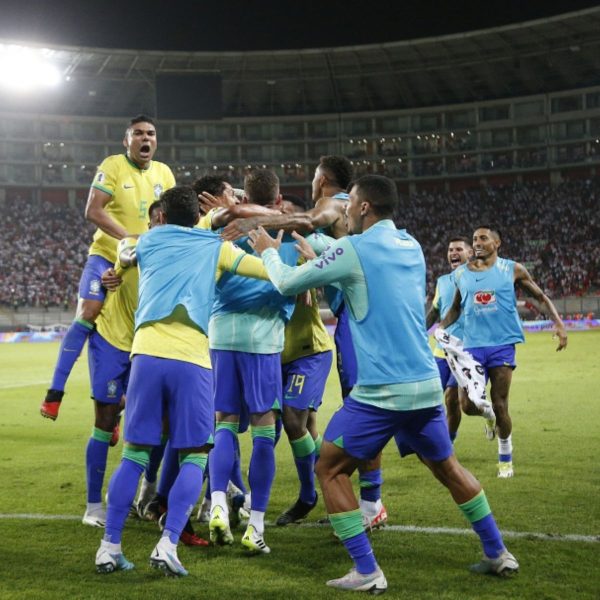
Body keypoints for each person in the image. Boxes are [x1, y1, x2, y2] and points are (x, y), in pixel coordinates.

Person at [248, 175, 518, 594]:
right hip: (425, 384)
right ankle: (498, 552)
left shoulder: (353, 249)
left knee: (330, 467)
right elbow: (356, 268)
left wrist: (269, 253)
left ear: (364, 208)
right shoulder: (410, 246)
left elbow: (286, 281)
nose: (344, 211)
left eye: (348, 205)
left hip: (381, 392)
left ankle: (367, 570)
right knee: (447, 468)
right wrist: (317, 248)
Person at [94, 185, 269, 576]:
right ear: (196, 217)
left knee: (135, 456)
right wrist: (282, 258)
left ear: (161, 215)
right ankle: (167, 543)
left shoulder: (150, 241)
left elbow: (124, 252)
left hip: (145, 354)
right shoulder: (214, 247)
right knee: (193, 455)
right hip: (190, 357)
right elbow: (265, 271)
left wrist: (118, 269)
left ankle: (109, 547)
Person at [222, 156, 386, 529]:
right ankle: (353, 498)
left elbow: (309, 225)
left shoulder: (329, 209)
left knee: (359, 411)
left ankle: (364, 500)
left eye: (313, 177)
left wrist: (252, 219)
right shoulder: (329, 234)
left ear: (322, 179)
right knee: (318, 418)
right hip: (312, 336)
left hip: (324, 340)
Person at [40, 115, 175, 421]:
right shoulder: (113, 166)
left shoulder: (165, 174)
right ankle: (55, 393)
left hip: (141, 265)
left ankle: (114, 408)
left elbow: (172, 219)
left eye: (150, 134)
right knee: (89, 310)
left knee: (138, 331)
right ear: (126, 140)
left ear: (156, 140)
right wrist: (129, 239)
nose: (145, 138)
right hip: (105, 255)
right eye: (138, 134)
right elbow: (93, 210)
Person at [207, 169, 299, 555]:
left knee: (223, 423)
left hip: (221, 336)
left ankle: (216, 505)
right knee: (264, 429)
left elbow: (210, 278)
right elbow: (288, 286)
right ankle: (255, 524)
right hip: (262, 339)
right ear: (278, 200)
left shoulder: (222, 230)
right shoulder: (284, 235)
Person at [439, 226, 568, 478]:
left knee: (500, 404)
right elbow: (455, 308)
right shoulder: (462, 274)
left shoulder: (512, 269)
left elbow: (540, 297)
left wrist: (559, 324)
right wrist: (441, 327)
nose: (477, 242)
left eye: (483, 238)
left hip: (502, 345)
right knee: (466, 405)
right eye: (474, 238)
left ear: (497, 243)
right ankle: (487, 417)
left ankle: (505, 455)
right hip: (471, 346)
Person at [81, 201, 163, 528]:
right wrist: (110, 271)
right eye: (156, 219)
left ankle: (148, 492)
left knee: (156, 423)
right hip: (114, 343)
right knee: (103, 419)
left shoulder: (179, 253)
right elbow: (120, 258)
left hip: (148, 347)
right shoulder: (132, 245)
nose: (161, 224)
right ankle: (92, 506)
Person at [276, 194, 334, 526]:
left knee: (292, 418)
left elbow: (311, 289)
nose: (282, 220)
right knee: (307, 428)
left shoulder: (303, 248)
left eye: (289, 216)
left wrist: (308, 271)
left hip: (309, 352)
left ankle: (308, 496)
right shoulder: (266, 249)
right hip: (278, 353)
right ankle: (328, 493)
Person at [426, 237, 473, 441]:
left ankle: (447, 444)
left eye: (459, 249)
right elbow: (435, 311)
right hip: (440, 351)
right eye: (451, 249)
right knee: (435, 400)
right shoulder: (442, 281)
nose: (453, 252)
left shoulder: (479, 280)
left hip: (465, 349)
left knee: (451, 397)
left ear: (470, 253)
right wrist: (419, 331)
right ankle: (443, 441)